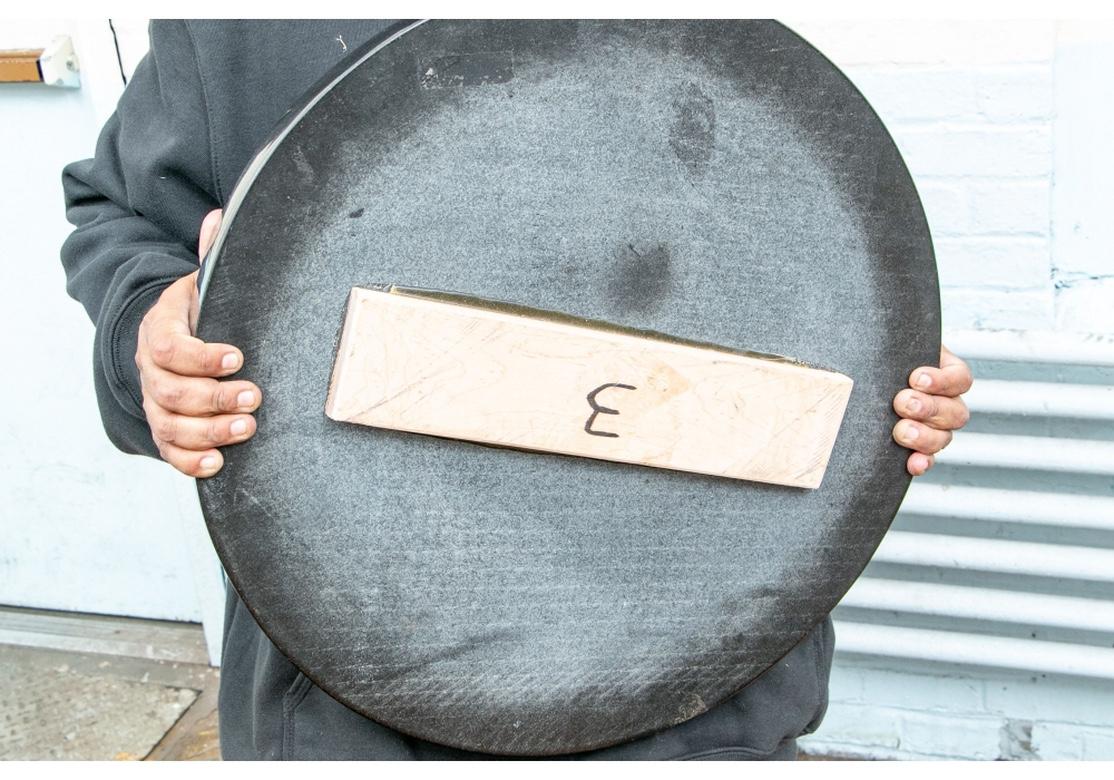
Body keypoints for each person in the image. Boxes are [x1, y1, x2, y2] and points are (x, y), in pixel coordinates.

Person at [60, 20, 972, 761]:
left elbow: (789, 261)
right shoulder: (233, 33)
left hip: (703, 704)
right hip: (348, 706)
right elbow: (123, 217)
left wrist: (881, 388)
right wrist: (148, 330)